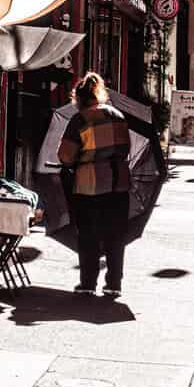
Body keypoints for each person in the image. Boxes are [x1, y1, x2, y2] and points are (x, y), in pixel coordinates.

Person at [58, 72, 131, 298]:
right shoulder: (118, 115)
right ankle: (114, 284)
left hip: (89, 185)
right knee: (116, 235)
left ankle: (88, 283)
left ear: (78, 99)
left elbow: (66, 156)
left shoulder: (80, 119)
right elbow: (126, 148)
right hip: (119, 183)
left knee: (88, 234)